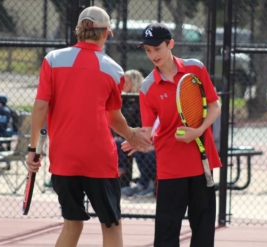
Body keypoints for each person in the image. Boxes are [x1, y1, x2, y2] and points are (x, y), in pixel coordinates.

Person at [25, 6, 151, 247]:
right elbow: (114, 119)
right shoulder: (114, 70)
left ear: (78, 31)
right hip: (99, 159)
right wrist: (133, 136)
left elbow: (40, 107)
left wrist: (34, 149)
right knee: (112, 225)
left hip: (64, 157)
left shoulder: (52, 59)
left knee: (72, 225)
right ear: (106, 33)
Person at [122, 23, 222, 247]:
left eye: (157, 48)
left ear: (170, 45)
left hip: (201, 163)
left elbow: (215, 106)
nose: (153, 55)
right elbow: (148, 130)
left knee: (204, 233)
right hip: (170, 170)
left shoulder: (195, 68)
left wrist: (197, 131)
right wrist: (136, 139)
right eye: (148, 50)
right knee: (166, 236)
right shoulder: (147, 87)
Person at [117, 70, 157, 197]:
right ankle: (139, 183)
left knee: (145, 153)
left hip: (143, 136)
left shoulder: (142, 101)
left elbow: (143, 124)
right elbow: (116, 120)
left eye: (126, 81)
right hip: (127, 134)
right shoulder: (122, 99)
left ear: (134, 82)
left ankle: (144, 184)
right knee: (120, 144)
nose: (123, 84)